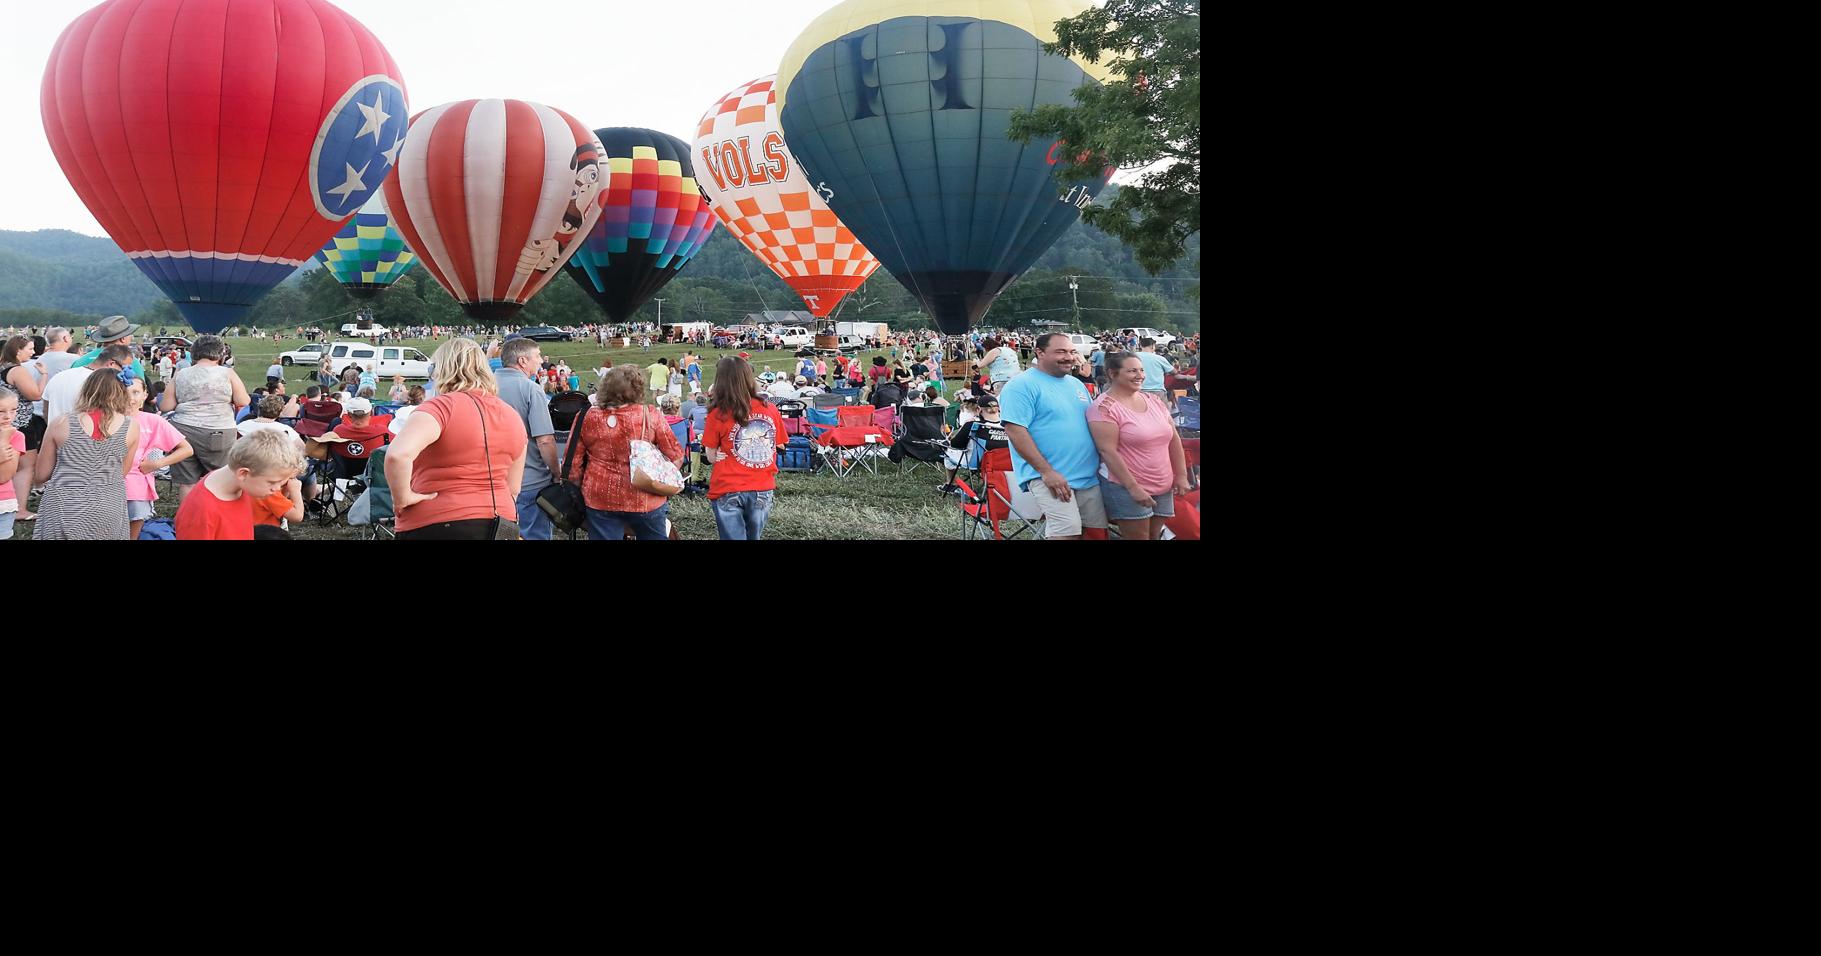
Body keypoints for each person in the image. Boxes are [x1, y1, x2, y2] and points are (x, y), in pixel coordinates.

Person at [385, 338, 529, 540]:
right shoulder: (512, 416)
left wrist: (402, 498)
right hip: (498, 522)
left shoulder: (439, 408)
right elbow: (513, 488)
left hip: (435, 520)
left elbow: (397, 455)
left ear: (441, 369)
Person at [998, 332, 1105, 540]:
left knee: (1091, 532)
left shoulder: (1076, 384)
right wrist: (1046, 472)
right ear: (1039, 352)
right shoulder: (1021, 386)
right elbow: (1015, 431)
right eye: (1060, 352)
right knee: (1066, 532)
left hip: (1087, 476)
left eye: (1072, 352)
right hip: (1050, 475)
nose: (1069, 357)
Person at [566, 366, 684, 540]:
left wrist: (578, 490)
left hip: (599, 497)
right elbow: (676, 455)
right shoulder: (650, 414)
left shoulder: (586, 416)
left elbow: (572, 465)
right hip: (645, 496)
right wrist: (661, 481)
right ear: (638, 388)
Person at [1087, 352, 1191, 541]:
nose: (1140, 375)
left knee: (1154, 535)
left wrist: (1181, 475)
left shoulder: (1154, 401)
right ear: (1112, 373)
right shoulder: (1104, 408)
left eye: (1141, 370)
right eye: (1132, 371)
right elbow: (1107, 451)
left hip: (1162, 483)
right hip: (1126, 485)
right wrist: (1133, 487)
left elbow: (1173, 439)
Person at [31, 371, 142, 540]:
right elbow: (121, 473)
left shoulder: (61, 423)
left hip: (64, 506)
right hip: (108, 506)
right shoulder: (131, 427)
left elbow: (41, 475)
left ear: (87, 390)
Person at [701, 356, 787, 540]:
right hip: (762, 485)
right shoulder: (770, 409)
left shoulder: (717, 413)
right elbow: (778, 444)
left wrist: (724, 454)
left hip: (728, 486)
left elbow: (710, 456)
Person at [160, 335, 251, 506]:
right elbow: (243, 401)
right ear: (220, 354)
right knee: (221, 478)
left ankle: (189, 521)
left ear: (193, 353)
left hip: (183, 429)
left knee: (187, 482)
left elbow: (166, 405)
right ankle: (218, 517)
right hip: (219, 430)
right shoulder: (227, 373)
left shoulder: (181, 374)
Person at [174, 429, 301, 540]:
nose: (277, 488)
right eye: (272, 482)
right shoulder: (202, 512)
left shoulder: (241, 485)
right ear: (244, 474)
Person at [494, 337, 562, 541]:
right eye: (538, 355)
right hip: (529, 480)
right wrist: (556, 472)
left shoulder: (484, 387)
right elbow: (545, 440)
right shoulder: (531, 389)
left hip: (492, 481)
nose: (541, 361)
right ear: (523, 361)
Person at [124, 376, 196, 540]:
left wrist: (156, 463)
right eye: (124, 392)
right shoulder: (107, 418)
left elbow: (186, 449)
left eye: (136, 392)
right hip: (107, 486)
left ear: (145, 395)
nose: (130, 397)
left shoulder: (152, 421)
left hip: (136, 487)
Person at [0, 336, 48, 518]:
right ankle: (19, 508)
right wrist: (44, 375)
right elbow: (35, 395)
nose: (33, 352)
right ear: (17, 350)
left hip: (6, 422)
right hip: (19, 424)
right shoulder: (17, 370)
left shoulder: (2, 366)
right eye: (30, 348)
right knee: (26, 466)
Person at [71, 315, 147, 380]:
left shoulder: (80, 361)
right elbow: (139, 391)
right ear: (123, 338)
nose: (131, 337)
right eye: (130, 334)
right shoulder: (131, 362)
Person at [0, 388, 27, 539]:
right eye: (1, 411)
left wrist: (4, 440)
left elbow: (4, 476)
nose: (8, 417)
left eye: (13, 410)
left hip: (3, 503)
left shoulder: (16, 436)